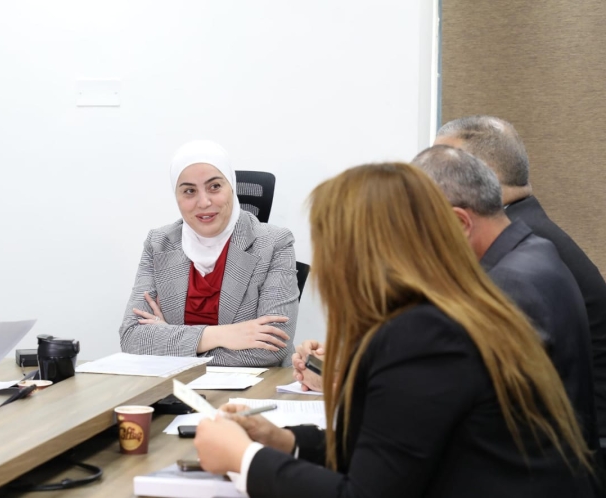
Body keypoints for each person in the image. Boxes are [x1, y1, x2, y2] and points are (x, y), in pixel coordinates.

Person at [194, 163, 594, 497]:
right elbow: (395, 449)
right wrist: (284, 441)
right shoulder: (448, 311)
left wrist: (244, 459)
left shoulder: (426, 334)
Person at [413, 144, 599, 454]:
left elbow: (448, 408)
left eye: (420, 232)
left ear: (460, 223)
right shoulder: (535, 251)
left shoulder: (507, 286)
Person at [118, 140, 298, 366]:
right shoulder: (159, 244)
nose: (203, 202)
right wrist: (221, 335)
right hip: (175, 384)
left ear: (231, 186)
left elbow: (273, 347)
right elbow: (132, 339)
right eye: (189, 191)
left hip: (256, 385)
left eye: (214, 187)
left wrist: (170, 343)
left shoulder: (275, 243)